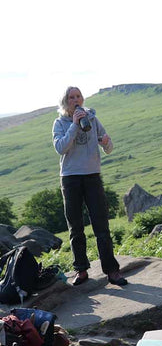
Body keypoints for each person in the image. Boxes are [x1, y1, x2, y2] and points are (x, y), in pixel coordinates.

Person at [52, 86, 127, 286]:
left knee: (101, 225)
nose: (76, 100)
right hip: (70, 179)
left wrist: (106, 143)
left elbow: (109, 148)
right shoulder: (59, 123)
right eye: (71, 97)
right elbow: (61, 148)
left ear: (82, 99)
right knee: (75, 227)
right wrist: (74, 125)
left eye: (78, 96)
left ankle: (112, 271)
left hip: (92, 176)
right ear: (65, 102)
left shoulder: (92, 119)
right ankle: (81, 270)